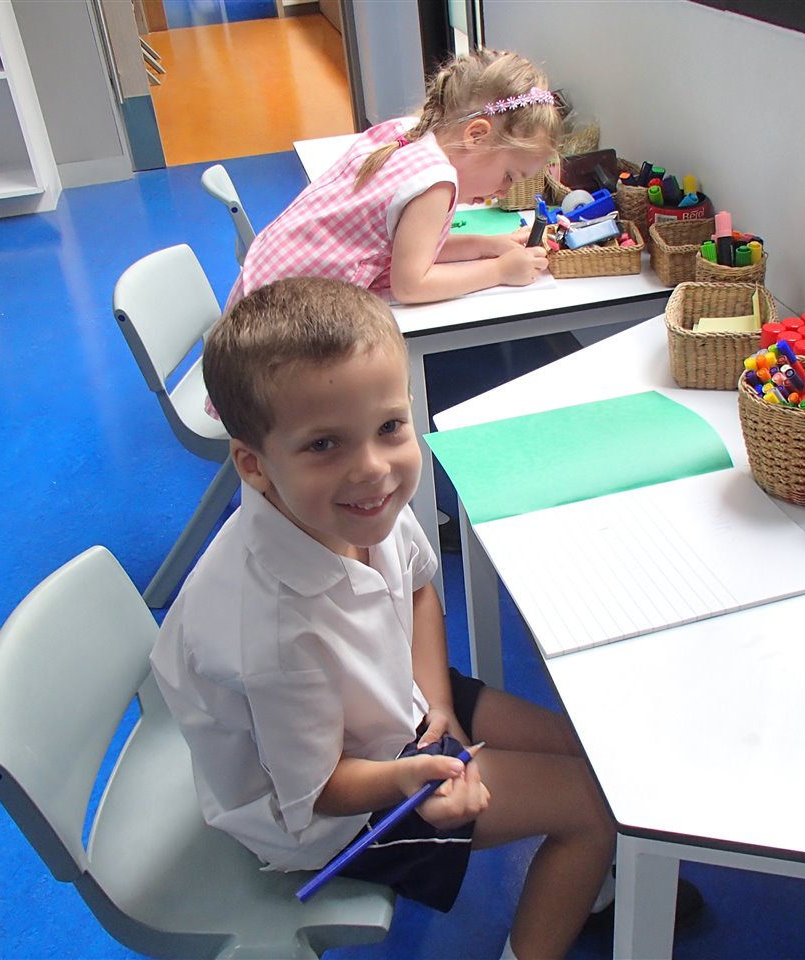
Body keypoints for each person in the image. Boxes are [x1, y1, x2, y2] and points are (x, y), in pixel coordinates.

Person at [151, 277, 617, 960]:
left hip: (393, 703)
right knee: (597, 807)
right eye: (324, 445)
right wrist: (408, 777)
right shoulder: (274, 634)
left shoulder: (353, 506)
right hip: (341, 811)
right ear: (254, 464)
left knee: (594, 756)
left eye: (390, 428)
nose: (372, 468)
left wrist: (438, 703)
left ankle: (584, 885)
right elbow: (317, 792)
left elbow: (420, 589)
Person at [225, 49, 561, 309]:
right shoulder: (435, 182)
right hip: (282, 322)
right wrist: (500, 271)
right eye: (508, 175)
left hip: (258, 294)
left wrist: (490, 244)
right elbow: (412, 285)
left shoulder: (409, 133)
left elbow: (411, 249)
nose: (504, 191)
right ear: (476, 135)